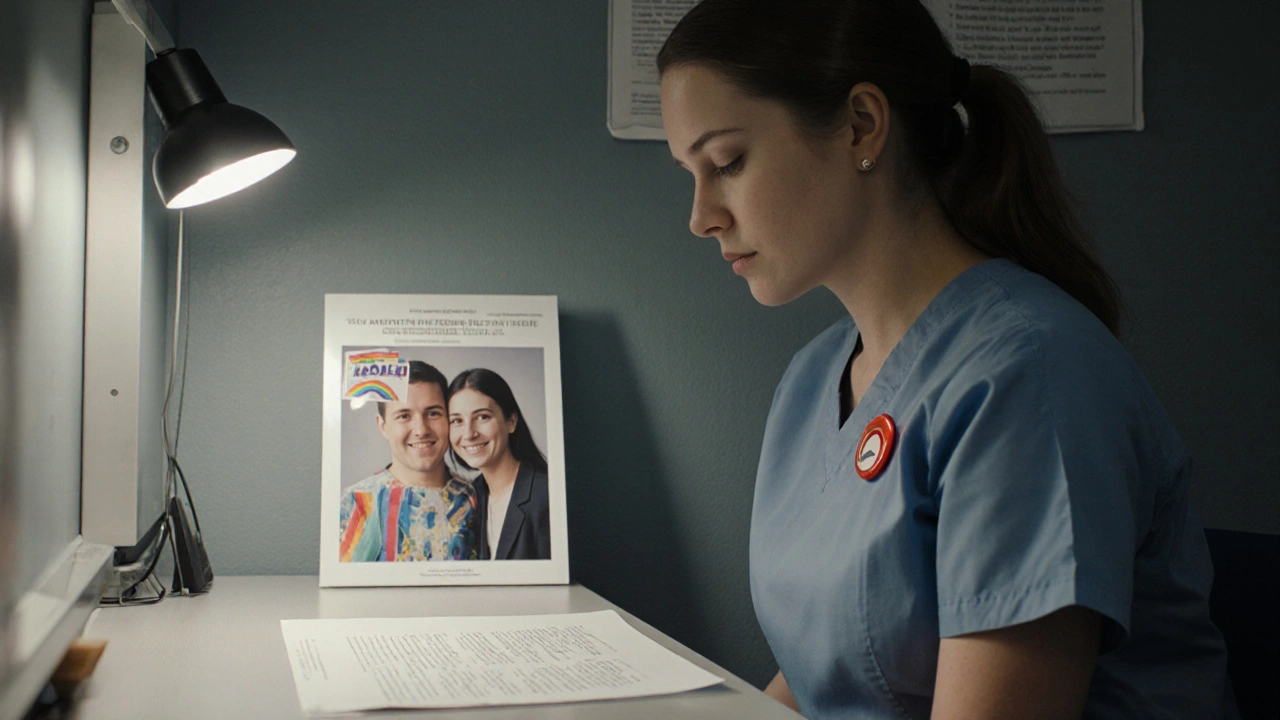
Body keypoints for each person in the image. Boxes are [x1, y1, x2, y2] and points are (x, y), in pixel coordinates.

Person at [657, 1, 1236, 718]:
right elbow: (821, 679)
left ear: (862, 126)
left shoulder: (1028, 371)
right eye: (692, 172)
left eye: (726, 162)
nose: (700, 215)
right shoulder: (813, 381)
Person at [339, 360, 478, 561]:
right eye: (404, 416)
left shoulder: (474, 498)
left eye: (433, 413)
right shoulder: (355, 503)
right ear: (383, 426)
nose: (421, 430)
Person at [448, 368, 551, 560]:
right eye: (457, 421)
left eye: (482, 417)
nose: (469, 433)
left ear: (511, 421)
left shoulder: (546, 496)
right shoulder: (469, 498)